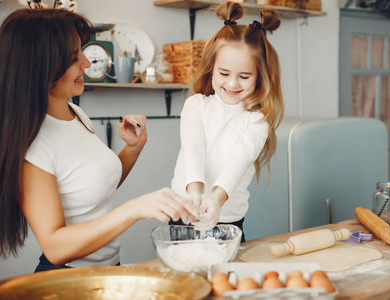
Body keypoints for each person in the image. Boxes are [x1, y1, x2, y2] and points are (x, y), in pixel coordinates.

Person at [0, 8, 195, 272]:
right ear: (39, 68)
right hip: (68, 277)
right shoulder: (32, 145)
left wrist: (133, 148)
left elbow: (91, 189)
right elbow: (55, 247)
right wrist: (135, 208)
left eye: (81, 51)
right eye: (73, 58)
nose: (87, 63)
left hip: (106, 269)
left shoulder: (75, 113)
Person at [170, 1, 284, 241]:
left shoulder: (258, 119)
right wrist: (194, 193)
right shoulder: (196, 105)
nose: (232, 84)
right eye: (224, 74)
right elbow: (193, 149)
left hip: (227, 219)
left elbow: (239, 161)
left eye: (244, 76)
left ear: (259, 77)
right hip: (185, 211)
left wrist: (216, 200)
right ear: (211, 69)